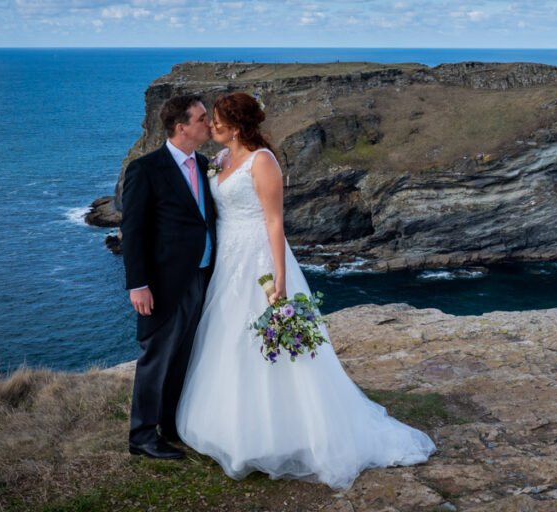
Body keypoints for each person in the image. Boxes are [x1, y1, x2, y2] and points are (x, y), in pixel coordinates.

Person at [176, 92, 436, 490]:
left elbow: (275, 222)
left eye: (216, 120)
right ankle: (231, 425)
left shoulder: (262, 162)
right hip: (228, 261)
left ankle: (287, 431)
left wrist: (279, 278)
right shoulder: (223, 160)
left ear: (237, 124)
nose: (211, 126)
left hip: (258, 259)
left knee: (268, 342)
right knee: (228, 338)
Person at [121, 94, 216, 459]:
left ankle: (171, 426)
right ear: (182, 127)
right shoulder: (146, 169)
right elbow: (134, 231)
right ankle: (142, 437)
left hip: (202, 277)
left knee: (182, 356)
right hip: (161, 283)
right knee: (156, 358)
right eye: (202, 118)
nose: (209, 123)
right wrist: (138, 284)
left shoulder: (205, 163)